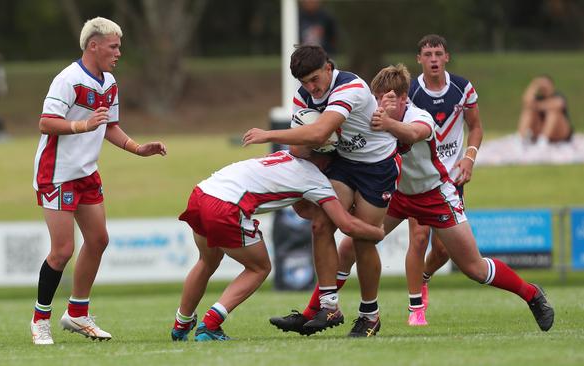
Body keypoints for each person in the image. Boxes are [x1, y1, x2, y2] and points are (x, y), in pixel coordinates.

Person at [371, 63, 554, 333]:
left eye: (386, 99)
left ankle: (531, 294)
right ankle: (323, 308)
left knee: (474, 269)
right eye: (377, 99)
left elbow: (412, 133)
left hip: (435, 193)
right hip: (399, 195)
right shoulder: (375, 116)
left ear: (402, 98)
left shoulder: (419, 116)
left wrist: (388, 123)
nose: (380, 105)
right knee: (356, 241)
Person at [243, 44, 400, 337]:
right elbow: (299, 147)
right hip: (342, 163)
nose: (311, 88)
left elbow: (317, 132)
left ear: (329, 68)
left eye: (315, 79)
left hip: (376, 165)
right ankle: (329, 306)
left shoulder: (349, 86)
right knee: (320, 224)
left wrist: (268, 134)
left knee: (361, 239)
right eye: (304, 82)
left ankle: (370, 314)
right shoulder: (303, 96)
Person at [29, 17, 166, 345]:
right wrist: (82, 126)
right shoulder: (69, 79)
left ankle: (77, 313)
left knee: (99, 240)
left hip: (86, 172)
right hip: (57, 173)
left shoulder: (109, 82)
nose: (118, 52)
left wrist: (137, 149)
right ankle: (40, 320)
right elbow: (46, 123)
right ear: (94, 45)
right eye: (113, 46)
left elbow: (110, 126)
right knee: (62, 251)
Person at [170, 146, 385, 342]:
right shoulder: (317, 179)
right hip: (226, 205)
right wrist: (376, 230)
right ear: (328, 159)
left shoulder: (284, 156)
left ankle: (181, 324)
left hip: (201, 194)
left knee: (207, 262)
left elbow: (302, 210)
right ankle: (210, 325)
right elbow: (346, 225)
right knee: (259, 268)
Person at [402, 34, 484, 326]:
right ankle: (416, 309)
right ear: (419, 60)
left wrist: (469, 158)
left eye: (438, 53)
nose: (433, 59)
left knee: (444, 250)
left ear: (447, 57)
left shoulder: (463, 88)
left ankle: (423, 276)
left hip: (451, 179)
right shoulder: (410, 92)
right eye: (428, 54)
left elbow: (475, 128)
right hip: (421, 177)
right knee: (419, 236)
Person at [517, 75, 573, 146]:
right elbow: (526, 102)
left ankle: (542, 142)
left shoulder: (558, 95)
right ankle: (521, 140)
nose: (544, 86)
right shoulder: (538, 98)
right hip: (539, 130)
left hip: (560, 133)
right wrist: (534, 86)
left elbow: (558, 104)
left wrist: (536, 106)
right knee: (528, 111)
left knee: (553, 112)